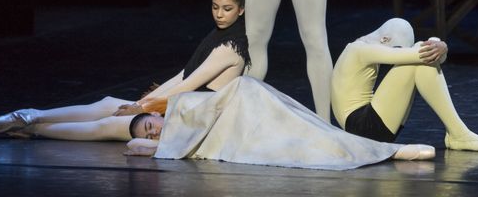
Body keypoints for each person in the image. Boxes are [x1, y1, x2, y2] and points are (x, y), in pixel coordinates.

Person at [0, 0, 251, 141]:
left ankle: (34, 130)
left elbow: (189, 85)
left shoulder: (231, 46)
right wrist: (140, 104)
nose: (219, 14)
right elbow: (182, 75)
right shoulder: (218, 35)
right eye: (215, 7)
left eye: (227, 9)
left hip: (194, 118)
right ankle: (31, 115)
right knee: (108, 104)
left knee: (110, 124)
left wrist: (140, 108)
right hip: (183, 107)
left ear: (240, 9)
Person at [123, 76, 435, 171]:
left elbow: (213, 105)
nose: (156, 133)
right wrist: (153, 143)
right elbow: (136, 145)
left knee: (310, 129)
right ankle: (392, 151)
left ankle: (389, 150)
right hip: (245, 129)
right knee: (302, 148)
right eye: (152, 136)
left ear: (158, 114)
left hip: (251, 101)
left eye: (152, 126)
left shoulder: (184, 106)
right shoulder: (171, 139)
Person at [331, 18, 478, 152]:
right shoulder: (361, 50)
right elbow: (421, 55)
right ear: (384, 39)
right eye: (396, 48)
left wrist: (437, 47)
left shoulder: (357, 47)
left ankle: (458, 133)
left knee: (422, 55)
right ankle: (458, 133)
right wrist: (439, 43)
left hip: (368, 126)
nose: (397, 53)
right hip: (363, 129)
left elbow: (430, 56)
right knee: (420, 53)